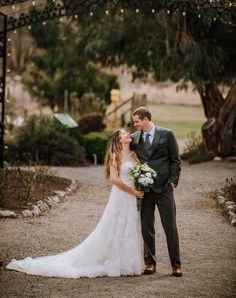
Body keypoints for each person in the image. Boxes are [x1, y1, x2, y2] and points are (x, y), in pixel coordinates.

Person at [6, 129, 144, 278]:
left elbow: (139, 172)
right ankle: (111, 262)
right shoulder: (115, 155)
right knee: (113, 225)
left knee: (128, 225)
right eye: (124, 133)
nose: (128, 134)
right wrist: (133, 192)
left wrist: (143, 182)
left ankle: (126, 262)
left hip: (130, 197)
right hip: (121, 195)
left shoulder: (133, 154)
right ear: (118, 140)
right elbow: (114, 180)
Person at [131, 106, 182, 277]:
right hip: (145, 191)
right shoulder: (134, 138)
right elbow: (121, 150)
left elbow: (176, 161)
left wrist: (173, 183)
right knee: (147, 228)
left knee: (170, 227)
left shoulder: (167, 134)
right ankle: (150, 263)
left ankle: (176, 265)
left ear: (146, 119)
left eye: (137, 121)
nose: (135, 124)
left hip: (164, 189)